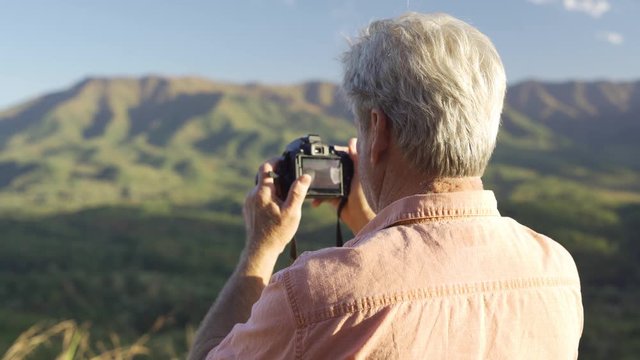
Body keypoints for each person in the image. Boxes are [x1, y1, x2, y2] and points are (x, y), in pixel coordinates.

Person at [189, 12, 583, 359]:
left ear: (377, 130)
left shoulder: (314, 295)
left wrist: (261, 248)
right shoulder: (557, 271)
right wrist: (371, 222)